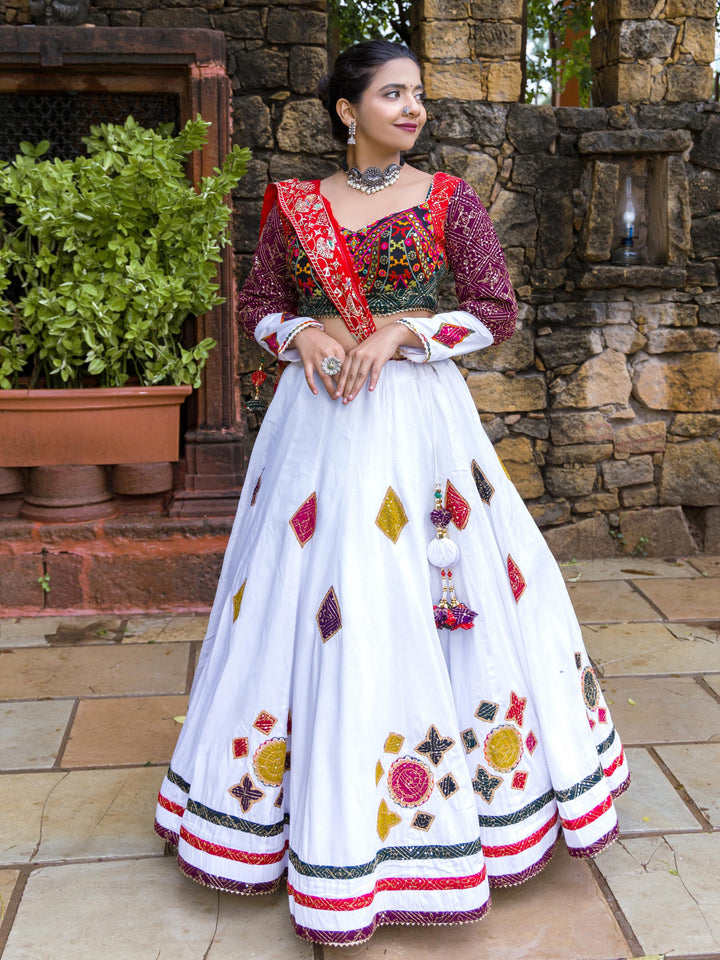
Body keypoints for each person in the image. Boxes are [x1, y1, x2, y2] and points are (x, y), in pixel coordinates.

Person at [155, 39, 629, 947]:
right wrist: (302, 335)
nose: (413, 109)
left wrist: (404, 330)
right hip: (318, 430)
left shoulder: (450, 199)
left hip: (418, 427)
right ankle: (299, 821)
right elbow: (258, 303)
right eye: (393, 94)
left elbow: (495, 311)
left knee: (432, 590)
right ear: (347, 109)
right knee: (318, 596)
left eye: (418, 95)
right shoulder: (294, 206)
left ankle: (464, 814)